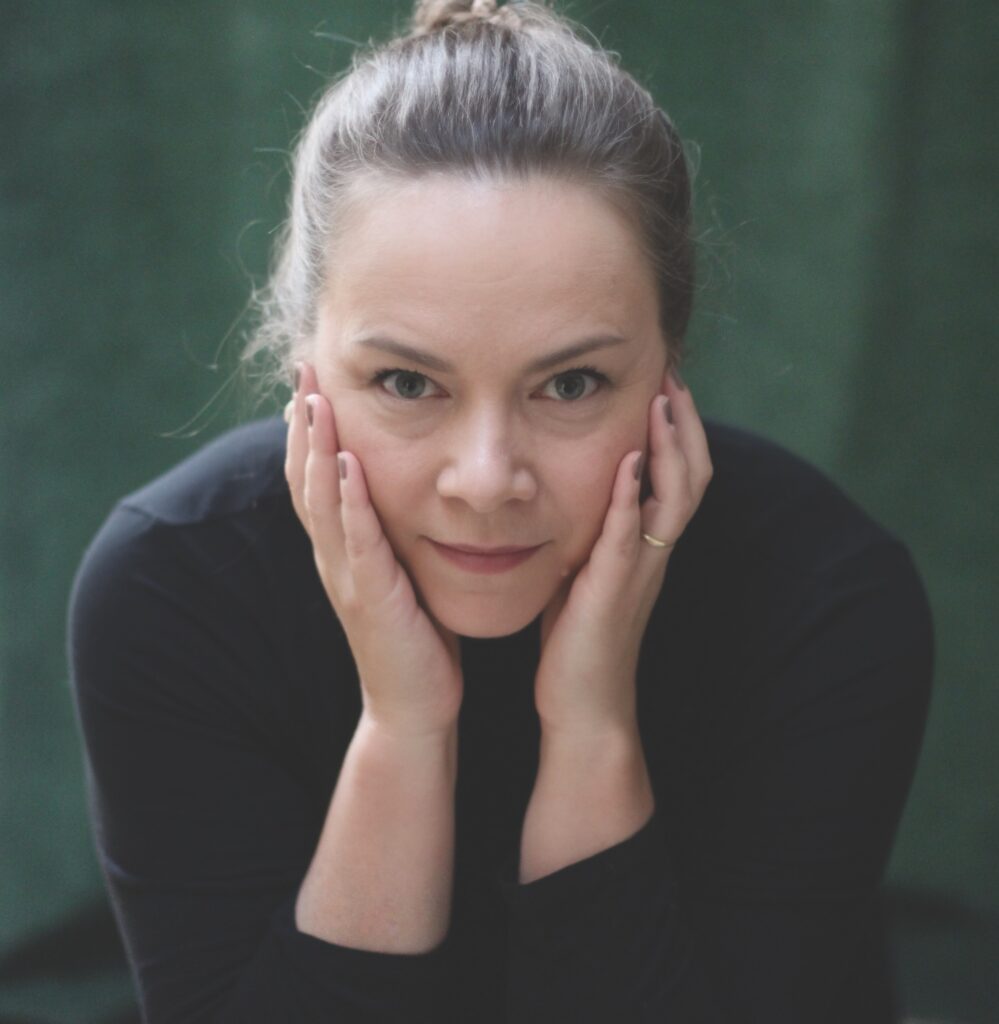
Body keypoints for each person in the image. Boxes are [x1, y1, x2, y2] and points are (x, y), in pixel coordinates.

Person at [67, 2, 934, 1021]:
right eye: (406, 383)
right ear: (307, 369)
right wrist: (403, 727)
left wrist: (590, 727)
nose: (486, 480)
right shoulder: (171, 586)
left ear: (669, 369)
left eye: (569, 385)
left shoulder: (824, 598)